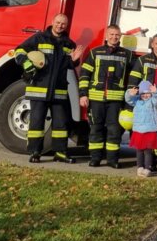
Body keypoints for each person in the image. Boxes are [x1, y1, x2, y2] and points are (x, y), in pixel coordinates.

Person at [14, 13, 84, 164]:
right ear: (52, 22)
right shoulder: (39, 38)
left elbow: (70, 66)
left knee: (61, 124)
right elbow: (19, 50)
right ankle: (35, 152)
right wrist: (26, 63)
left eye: (63, 24)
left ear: (67, 25)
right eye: (58, 22)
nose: (60, 26)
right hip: (39, 89)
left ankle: (60, 152)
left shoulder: (69, 44)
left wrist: (75, 60)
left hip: (59, 92)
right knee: (36, 123)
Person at [79, 24, 134, 168]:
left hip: (116, 100)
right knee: (95, 128)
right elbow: (85, 74)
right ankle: (95, 158)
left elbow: (133, 77)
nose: (114, 37)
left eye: (117, 35)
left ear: (120, 36)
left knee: (114, 130)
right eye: (111, 34)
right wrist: (83, 94)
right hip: (96, 98)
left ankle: (112, 160)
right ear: (106, 36)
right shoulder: (95, 52)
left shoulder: (126, 55)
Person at [126, 81, 157, 177]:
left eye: (147, 93)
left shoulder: (152, 101)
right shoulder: (137, 101)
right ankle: (140, 167)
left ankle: (148, 168)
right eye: (143, 93)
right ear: (140, 93)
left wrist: (156, 92)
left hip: (150, 130)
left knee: (148, 151)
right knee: (139, 150)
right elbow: (128, 100)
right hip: (138, 130)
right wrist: (130, 93)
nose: (145, 95)